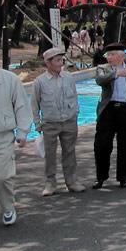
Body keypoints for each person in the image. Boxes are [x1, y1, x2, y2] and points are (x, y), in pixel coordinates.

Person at [0, 41, 33, 231]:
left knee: (3, 177)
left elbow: (21, 106)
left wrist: (23, 132)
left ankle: (8, 207)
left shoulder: (10, 79)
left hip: (2, 137)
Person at [32, 47, 86, 196]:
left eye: (61, 59)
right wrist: (37, 123)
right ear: (48, 63)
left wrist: (75, 114)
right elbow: (35, 104)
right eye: (57, 60)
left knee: (70, 152)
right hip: (50, 122)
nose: (60, 62)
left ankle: (72, 181)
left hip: (69, 120)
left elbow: (74, 97)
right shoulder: (40, 82)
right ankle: (50, 183)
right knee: (50, 154)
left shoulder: (68, 77)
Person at [92, 43, 126, 189]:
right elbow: (100, 80)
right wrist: (115, 74)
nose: (109, 57)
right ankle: (100, 176)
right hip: (108, 109)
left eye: (112, 54)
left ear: (121, 56)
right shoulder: (103, 68)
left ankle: (124, 177)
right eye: (107, 55)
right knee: (101, 145)